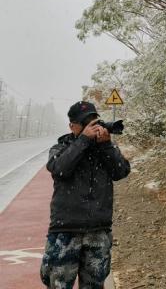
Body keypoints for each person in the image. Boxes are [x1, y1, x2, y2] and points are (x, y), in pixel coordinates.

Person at [40, 101, 130, 289]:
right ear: (72, 126)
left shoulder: (104, 150)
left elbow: (121, 172)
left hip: (98, 230)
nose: (93, 127)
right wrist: (83, 141)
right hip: (65, 231)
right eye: (86, 123)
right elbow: (60, 168)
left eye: (94, 121)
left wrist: (106, 146)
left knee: (95, 285)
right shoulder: (61, 148)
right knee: (58, 285)